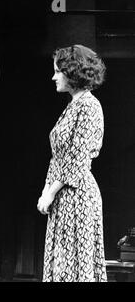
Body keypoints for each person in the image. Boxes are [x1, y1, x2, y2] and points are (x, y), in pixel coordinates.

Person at [37, 45, 107, 282]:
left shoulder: (89, 105)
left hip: (77, 195)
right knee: (62, 263)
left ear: (72, 72)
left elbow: (77, 159)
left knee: (75, 264)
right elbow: (58, 156)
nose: (53, 76)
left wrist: (50, 192)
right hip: (64, 195)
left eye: (58, 71)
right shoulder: (73, 106)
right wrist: (48, 191)